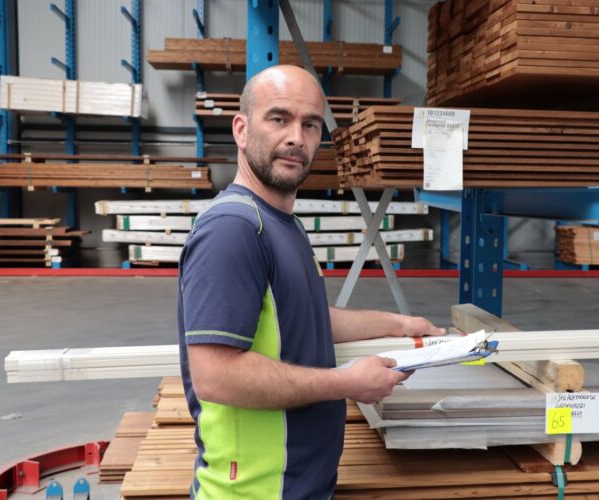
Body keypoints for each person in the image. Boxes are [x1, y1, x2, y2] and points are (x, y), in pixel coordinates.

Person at [177, 64, 445, 500]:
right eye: (279, 118)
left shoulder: (283, 224)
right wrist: (346, 382)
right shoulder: (232, 229)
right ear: (241, 130)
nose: (295, 138)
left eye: (311, 125)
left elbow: (301, 320)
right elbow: (215, 375)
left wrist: (400, 326)